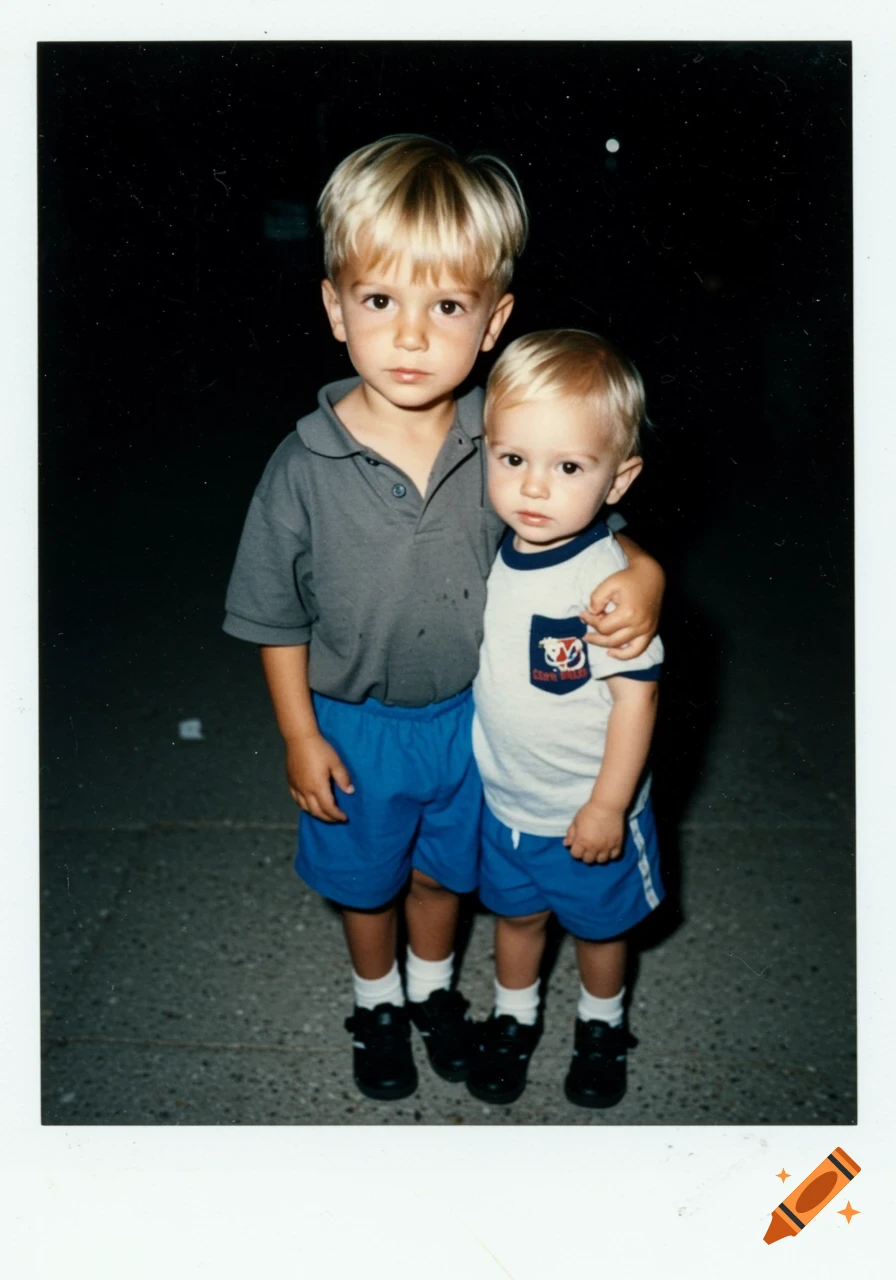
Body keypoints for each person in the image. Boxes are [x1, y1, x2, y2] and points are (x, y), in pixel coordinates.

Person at [223, 137, 664, 1102]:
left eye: (448, 307)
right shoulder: (301, 468)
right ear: (336, 306)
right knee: (366, 884)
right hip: (355, 725)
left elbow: (600, 537)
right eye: (382, 301)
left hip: (475, 724)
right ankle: (375, 1000)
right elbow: (272, 616)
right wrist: (300, 734)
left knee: (446, 879)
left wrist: (651, 579)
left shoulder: (504, 441)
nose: (413, 337)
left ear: (495, 321)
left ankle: (431, 994)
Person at [468, 329, 665, 1110]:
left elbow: (636, 699)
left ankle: (601, 1024)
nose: (534, 490)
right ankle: (514, 1019)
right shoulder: (491, 546)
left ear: (619, 480)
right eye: (512, 459)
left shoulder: (609, 585)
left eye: (569, 467)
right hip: (510, 804)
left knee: (598, 932)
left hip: (590, 811)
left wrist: (608, 804)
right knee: (515, 921)